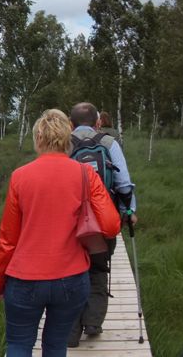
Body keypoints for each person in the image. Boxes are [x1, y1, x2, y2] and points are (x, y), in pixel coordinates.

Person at [0, 109, 120, 356]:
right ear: (67, 138)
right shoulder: (86, 174)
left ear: (38, 138)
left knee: (18, 345)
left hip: (24, 279)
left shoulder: (19, 176)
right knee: (56, 345)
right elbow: (112, 225)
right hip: (71, 279)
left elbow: (7, 240)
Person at [68, 102, 138, 347]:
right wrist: (128, 211)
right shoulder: (109, 143)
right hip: (103, 219)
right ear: (98, 122)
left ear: (70, 124)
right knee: (98, 268)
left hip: (72, 223)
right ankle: (93, 322)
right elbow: (123, 184)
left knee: (72, 271)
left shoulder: (64, 144)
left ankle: (70, 332)